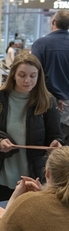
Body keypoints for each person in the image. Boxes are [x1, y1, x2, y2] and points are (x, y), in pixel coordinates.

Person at [0, 53, 63, 205]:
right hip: (0, 176)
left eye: (32, 76)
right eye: (22, 75)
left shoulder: (47, 101)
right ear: (13, 75)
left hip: (34, 177)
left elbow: (55, 135)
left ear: (39, 76)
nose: (27, 80)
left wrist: (56, 143)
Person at [31, 10, 69, 140]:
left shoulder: (41, 44)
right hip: (66, 102)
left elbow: (32, 73)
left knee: (48, 145)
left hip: (47, 101)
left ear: (53, 22)